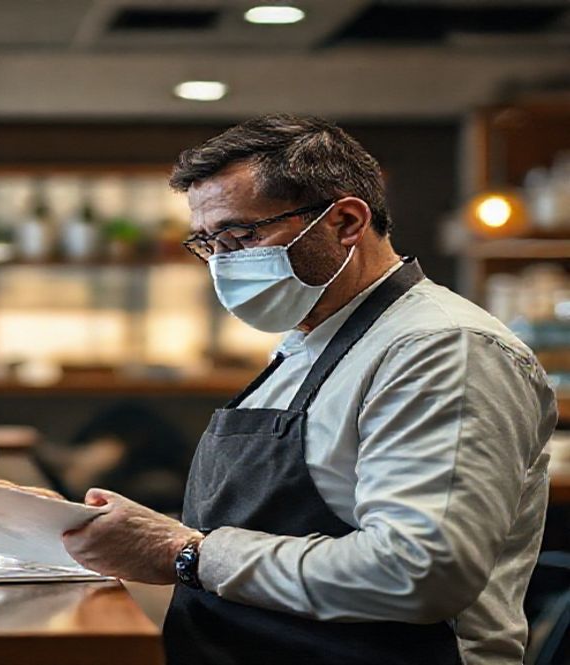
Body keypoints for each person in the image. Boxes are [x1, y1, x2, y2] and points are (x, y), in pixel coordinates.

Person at [62, 113, 558, 665]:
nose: (224, 263)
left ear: (345, 222)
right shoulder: (312, 338)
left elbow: (419, 573)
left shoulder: (444, 349)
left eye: (242, 235)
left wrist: (184, 552)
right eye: (209, 243)